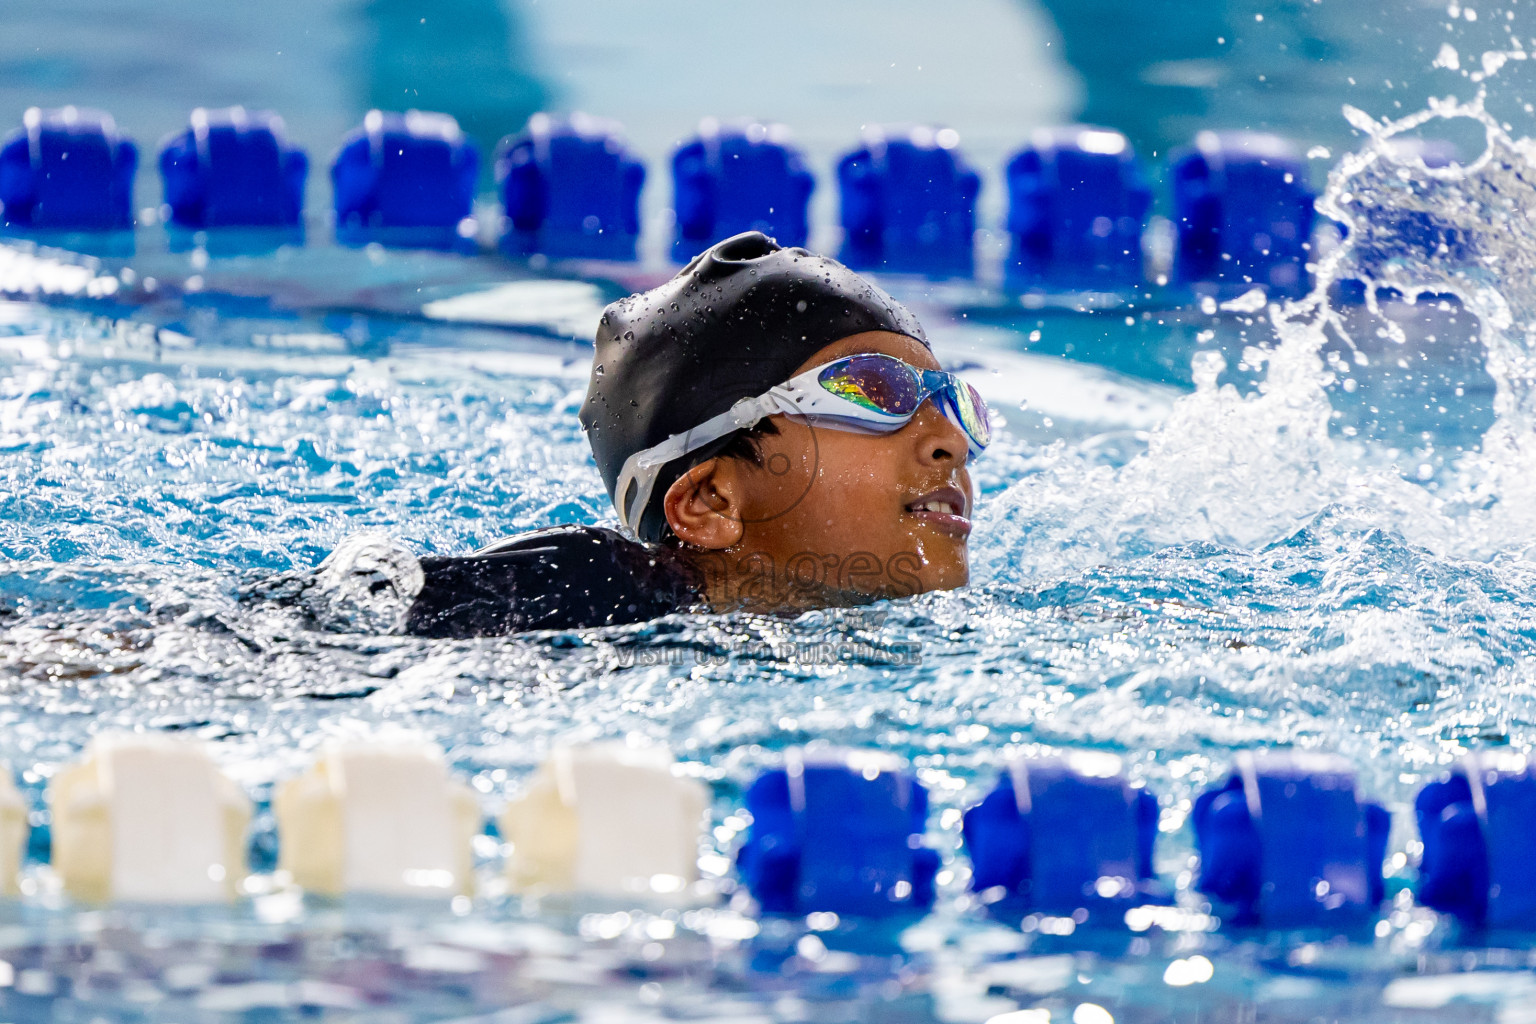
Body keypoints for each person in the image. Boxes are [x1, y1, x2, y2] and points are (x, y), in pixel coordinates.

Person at [304, 231, 992, 638]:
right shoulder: (594, 590)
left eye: (953, 401)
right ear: (710, 503)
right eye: (877, 393)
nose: (949, 441)